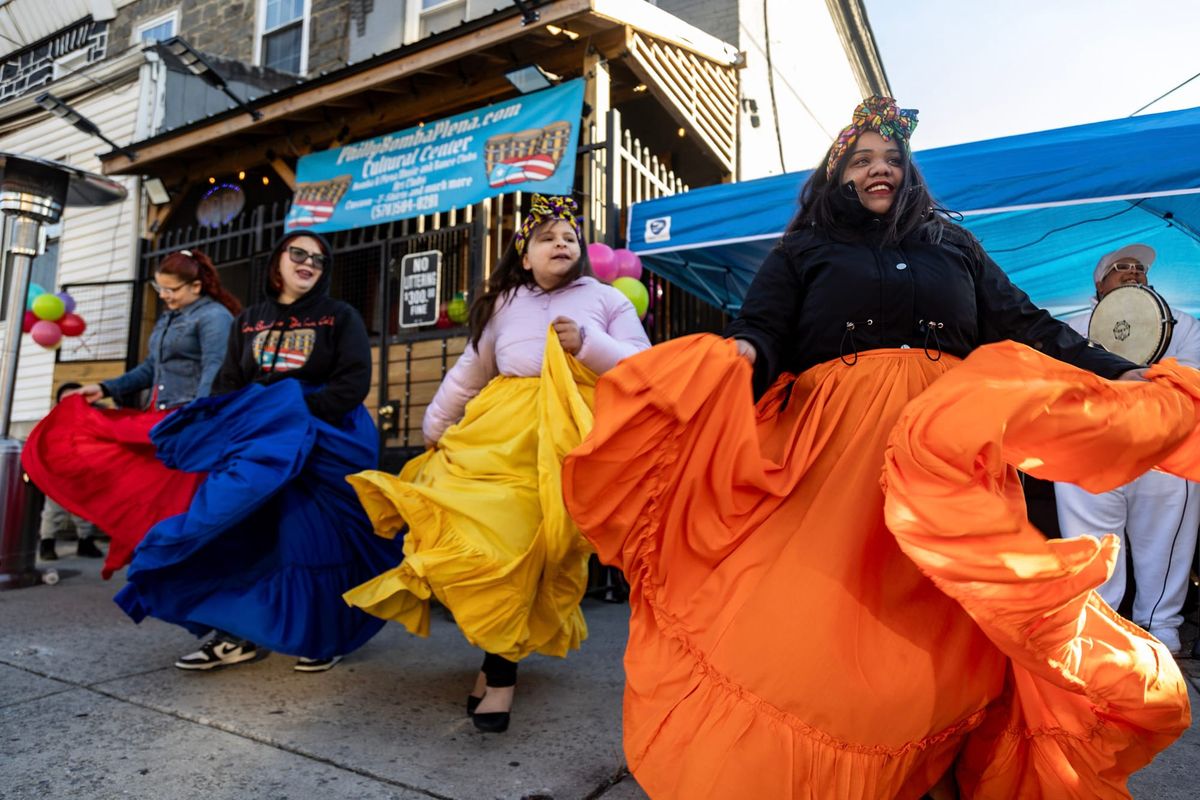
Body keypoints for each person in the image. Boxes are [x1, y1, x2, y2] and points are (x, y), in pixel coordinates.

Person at [561, 97, 1192, 798]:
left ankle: (931, 762)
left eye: (891, 160)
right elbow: (765, 330)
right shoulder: (804, 249)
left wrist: (1116, 370)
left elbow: (1023, 322)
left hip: (949, 462)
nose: (879, 170)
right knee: (825, 626)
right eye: (862, 160)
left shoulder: (953, 244)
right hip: (839, 457)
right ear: (837, 175)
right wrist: (742, 352)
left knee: (948, 631)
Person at [343, 195, 651, 732]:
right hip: (496, 435)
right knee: (493, 546)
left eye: (570, 237)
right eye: (546, 237)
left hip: (562, 443)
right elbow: (471, 370)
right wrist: (436, 425)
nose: (561, 243)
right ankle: (499, 673)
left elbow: (643, 365)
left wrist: (589, 344)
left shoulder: (605, 300)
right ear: (524, 255)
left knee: (527, 553)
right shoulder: (506, 302)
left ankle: (496, 669)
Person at [113, 231, 405, 674]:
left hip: (325, 442)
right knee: (236, 531)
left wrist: (291, 412)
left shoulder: (338, 316)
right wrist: (253, 420)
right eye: (299, 254)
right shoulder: (249, 320)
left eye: (319, 260)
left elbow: (352, 385)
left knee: (313, 539)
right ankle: (237, 635)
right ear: (278, 261)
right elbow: (229, 383)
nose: (309, 263)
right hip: (259, 443)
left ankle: (323, 634)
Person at [23, 250, 239, 577]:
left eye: (172, 290)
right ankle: (167, 568)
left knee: (181, 502)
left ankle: (196, 573)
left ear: (196, 286)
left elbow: (215, 370)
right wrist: (105, 388)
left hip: (190, 420)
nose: (164, 296)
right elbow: (150, 369)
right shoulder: (169, 317)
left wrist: (198, 419)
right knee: (146, 492)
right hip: (161, 416)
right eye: (159, 288)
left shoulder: (214, 317)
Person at [1055, 244, 1200, 656]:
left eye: (1138, 269)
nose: (1132, 272)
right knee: (1093, 544)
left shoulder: (1182, 324)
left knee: (1166, 540)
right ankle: (1100, 631)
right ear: (1098, 285)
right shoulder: (1070, 327)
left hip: (1163, 452)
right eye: (1120, 268)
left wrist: (1136, 379)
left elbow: (1192, 376)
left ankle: (1160, 629)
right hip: (1091, 451)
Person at [36, 383, 103, 561]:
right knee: (53, 510)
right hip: (57, 471)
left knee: (84, 509)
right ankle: (47, 542)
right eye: (64, 399)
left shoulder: (91, 419)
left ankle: (85, 541)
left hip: (83, 470)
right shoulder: (51, 421)